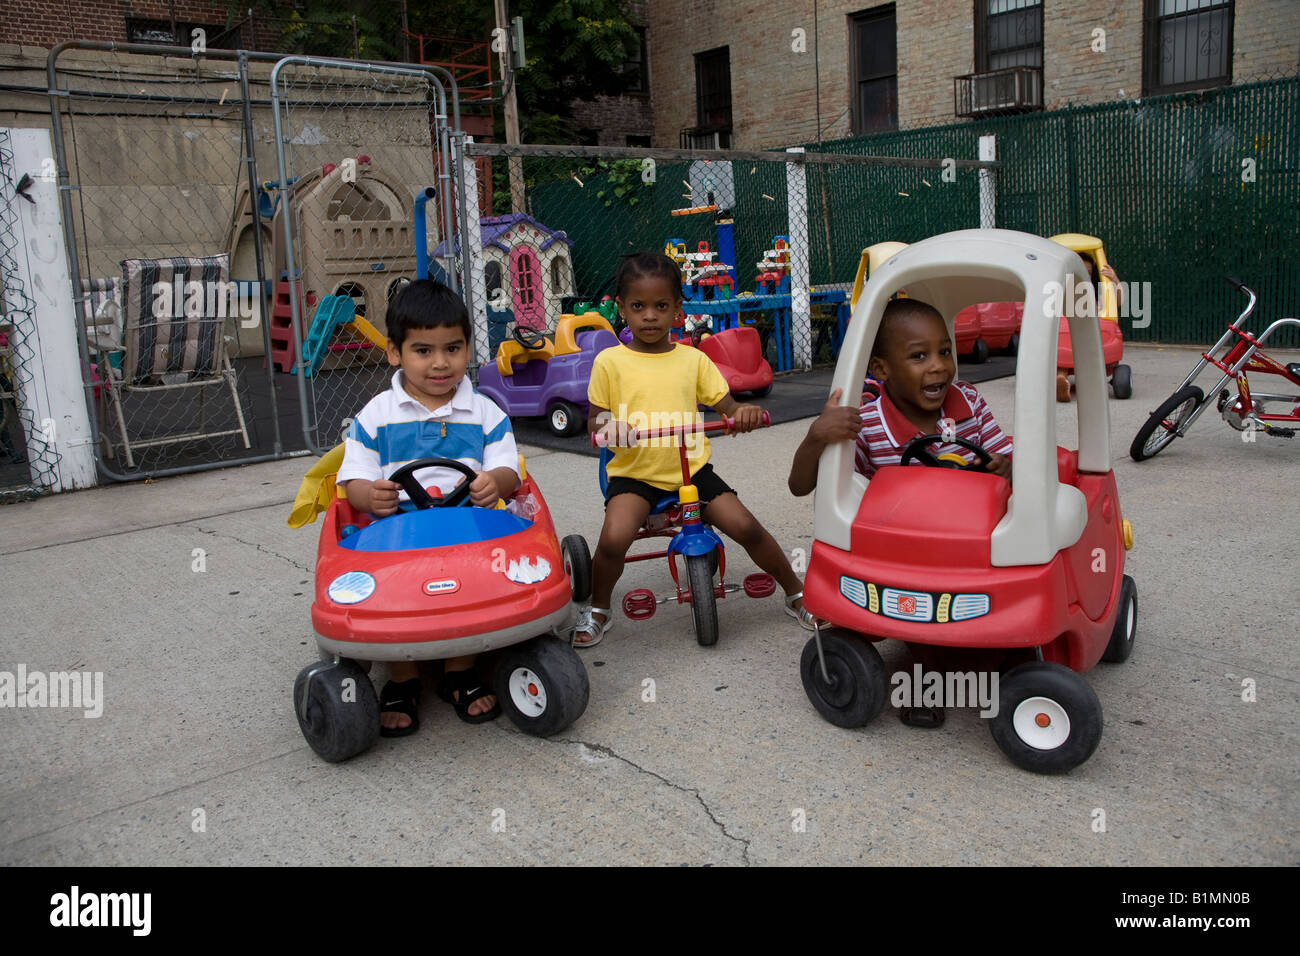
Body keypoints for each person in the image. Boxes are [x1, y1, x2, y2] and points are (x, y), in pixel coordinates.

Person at [573, 252, 812, 647]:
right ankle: (600, 608)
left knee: (745, 526)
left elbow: (727, 406)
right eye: (638, 306)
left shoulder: (693, 360)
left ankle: (796, 591)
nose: (650, 316)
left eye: (661, 306)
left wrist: (742, 413)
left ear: (678, 310)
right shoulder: (610, 363)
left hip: (691, 472)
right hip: (635, 474)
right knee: (615, 539)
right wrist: (609, 427)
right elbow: (595, 421)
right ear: (621, 309)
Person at [337, 279, 519, 735]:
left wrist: (492, 482)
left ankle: (459, 670)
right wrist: (368, 494)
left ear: (467, 349)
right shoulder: (377, 414)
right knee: (391, 590)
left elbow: (510, 473)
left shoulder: (485, 412)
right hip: (397, 525)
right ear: (395, 352)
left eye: (453, 349)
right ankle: (403, 676)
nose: (440, 363)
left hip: (470, 525)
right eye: (423, 350)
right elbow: (352, 478)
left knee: (479, 583)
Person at [788, 297, 1012, 496]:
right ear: (881, 369)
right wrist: (816, 436)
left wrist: (1004, 469)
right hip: (898, 536)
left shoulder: (969, 401)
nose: (938, 366)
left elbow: (1007, 459)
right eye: (919, 355)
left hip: (970, 527)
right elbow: (800, 487)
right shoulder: (865, 427)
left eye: (944, 352)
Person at [1058, 253, 1122, 402]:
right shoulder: (1063, 293)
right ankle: (1061, 380)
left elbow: (1118, 302)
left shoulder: (1098, 296)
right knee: (1062, 351)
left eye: (1088, 272)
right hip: (1068, 343)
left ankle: (1065, 378)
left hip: (1091, 339)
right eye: (1080, 272)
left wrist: (1114, 279)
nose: (1084, 276)